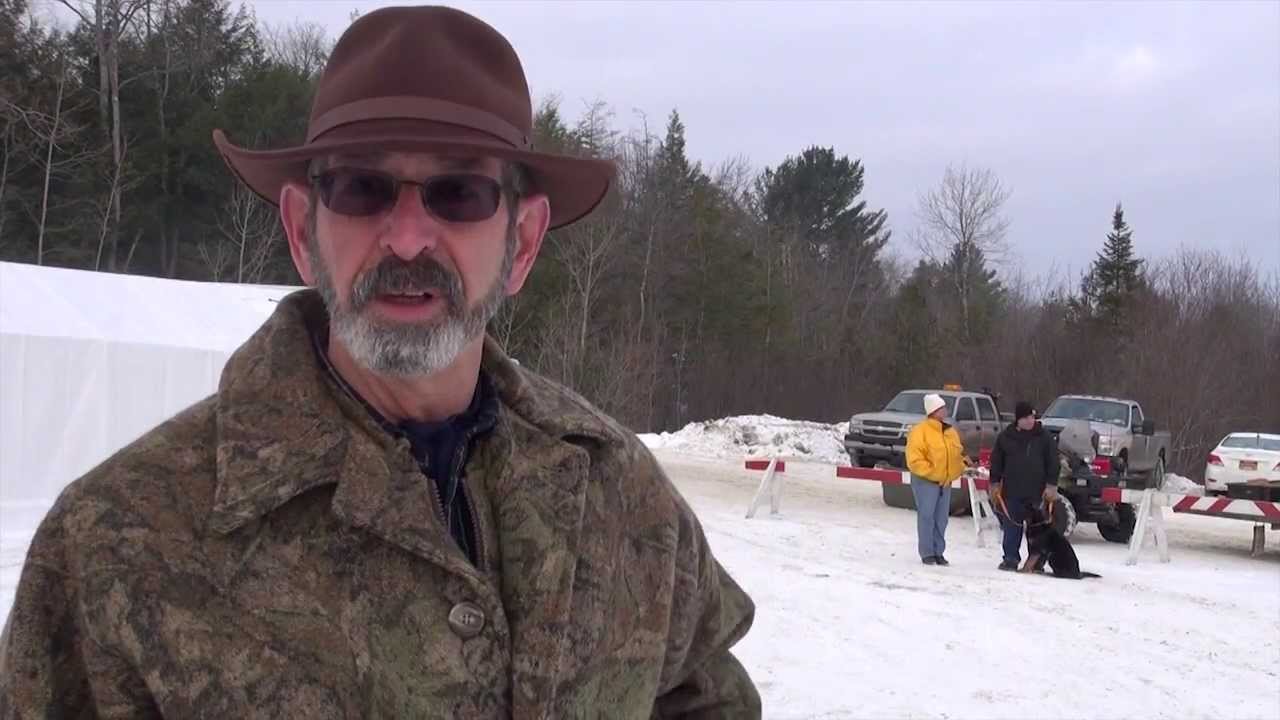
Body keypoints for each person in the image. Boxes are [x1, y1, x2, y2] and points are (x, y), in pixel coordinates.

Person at [0, 7, 760, 717]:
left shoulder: (622, 495)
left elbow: (708, 699)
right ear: (303, 231)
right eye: (362, 188)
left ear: (522, 244)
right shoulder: (116, 540)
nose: (405, 239)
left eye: (459, 193)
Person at [989, 401, 1059, 571]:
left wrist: (1051, 485)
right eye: (1026, 418)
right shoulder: (1005, 437)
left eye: (1032, 417)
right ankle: (1011, 559)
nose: (1030, 421)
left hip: (1037, 492)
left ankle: (1036, 562)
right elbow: (996, 462)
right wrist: (994, 483)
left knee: (1038, 530)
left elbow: (1053, 463)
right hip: (1012, 490)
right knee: (1012, 526)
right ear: (1018, 420)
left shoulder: (1044, 437)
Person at [905, 393, 966, 566]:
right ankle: (927, 553)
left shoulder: (950, 431)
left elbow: (956, 455)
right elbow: (915, 460)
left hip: (944, 483)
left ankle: (938, 551)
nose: (946, 410)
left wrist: (960, 467)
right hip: (926, 481)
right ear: (934, 410)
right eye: (942, 408)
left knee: (941, 519)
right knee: (927, 517)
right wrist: (933, 472)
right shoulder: (919, 432)